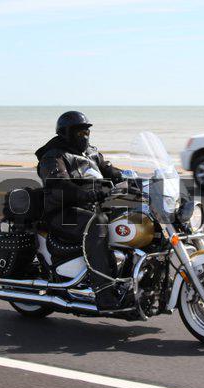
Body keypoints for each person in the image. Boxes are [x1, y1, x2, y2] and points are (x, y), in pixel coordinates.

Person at [35, 111, 124, 310]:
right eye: (79, 132)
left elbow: (110, 171)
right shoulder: (53, 156)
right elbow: (59, 185)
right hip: (62, 213)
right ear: (65, 133)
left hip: (90, 207)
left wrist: (134, 179)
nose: (84, 136)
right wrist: (86, 194)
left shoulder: (91, 153)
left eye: (86, 132)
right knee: (96, 223)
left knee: (129, 218)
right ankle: (104, 292)